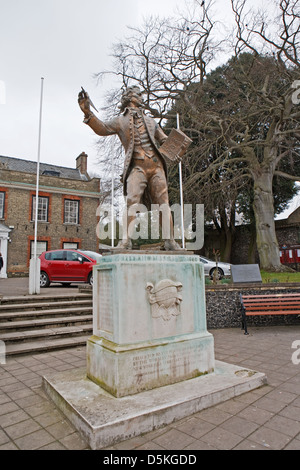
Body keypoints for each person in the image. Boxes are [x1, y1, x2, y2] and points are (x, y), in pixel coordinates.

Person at [78, 86, 182, 250]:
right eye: (139, 94)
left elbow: (163, 139)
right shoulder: (120, 121)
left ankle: (170, 241)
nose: (142, 97)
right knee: (132, 201)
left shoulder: (150, 121)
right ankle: (126, 240)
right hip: (137, 167)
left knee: (163, 203)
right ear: (130, 97)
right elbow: (103, 128)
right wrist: (87, 113)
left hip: (156, 167)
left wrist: (177, 148)